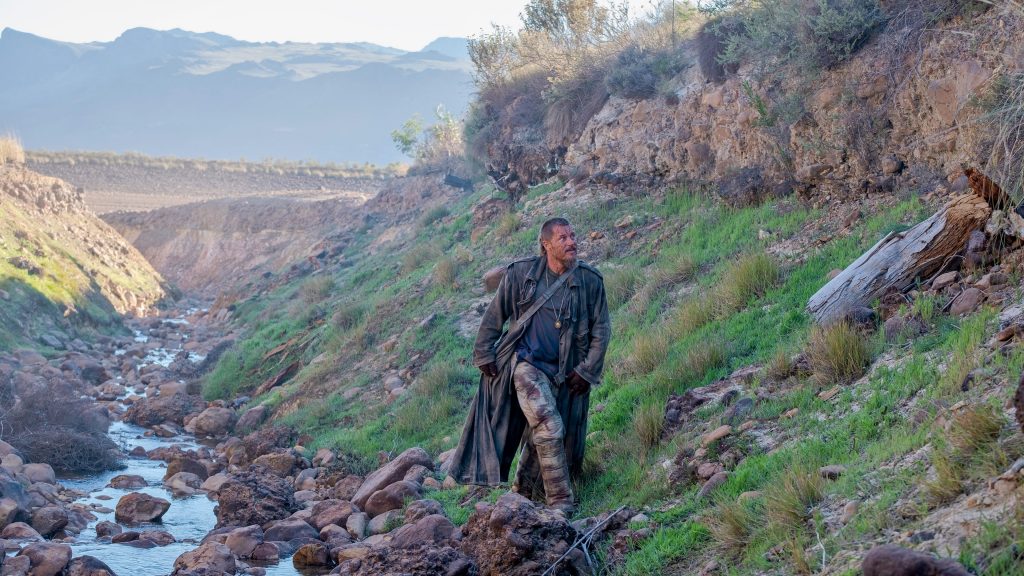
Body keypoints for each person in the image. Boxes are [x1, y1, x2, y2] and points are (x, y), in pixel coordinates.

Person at [448, 217, 610, 514]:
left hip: (566, 373)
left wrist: (587, 371)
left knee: (545, 437)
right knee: (549, 425)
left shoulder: (589, 281)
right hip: (527, 365)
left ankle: (523, 492)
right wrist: (485, 353)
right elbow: (495, 315)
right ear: (546, 244)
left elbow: (602, 330)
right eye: (563, 238)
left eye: (573, 235)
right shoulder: (522, 274)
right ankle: (561, 503)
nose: (572, 241)